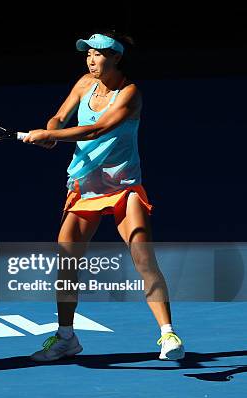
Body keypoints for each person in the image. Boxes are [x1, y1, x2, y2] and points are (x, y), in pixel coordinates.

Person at [22, 31, 185, 362]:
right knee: (66, 261)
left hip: (123, 186)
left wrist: (51, 135)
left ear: (116, 58)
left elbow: (97, 130)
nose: (91, 60)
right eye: (88, 54)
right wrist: (51, 131)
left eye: (98, 54)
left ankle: (168, 333)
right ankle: (66, 337)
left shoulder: (131, 94)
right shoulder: (84, 84)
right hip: (85, 185)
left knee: (142, 257)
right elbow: (59, 116)